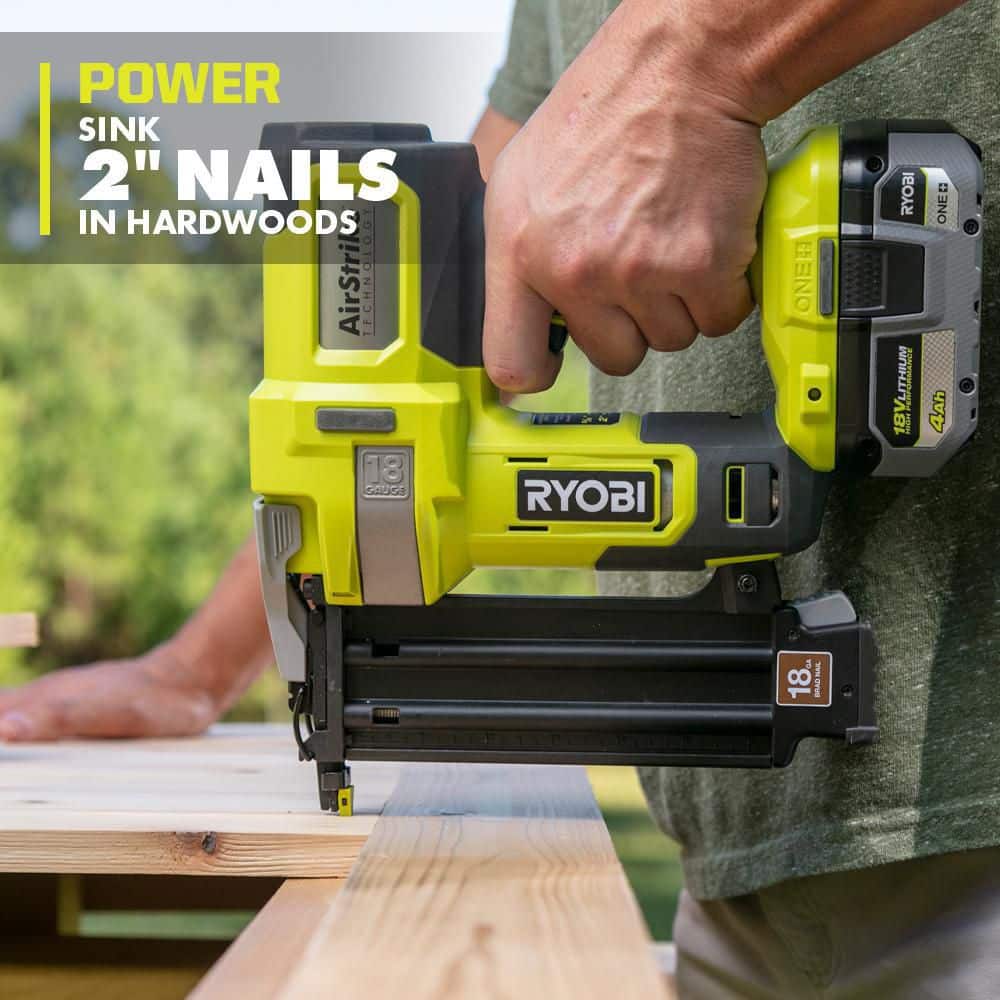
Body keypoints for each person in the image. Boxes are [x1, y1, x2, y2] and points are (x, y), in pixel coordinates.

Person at [3, 0, 998, 993]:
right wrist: (194, 667)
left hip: (966, 821)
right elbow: (458, 245)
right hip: (743, 862)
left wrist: (692, 63)